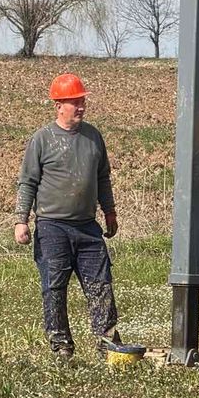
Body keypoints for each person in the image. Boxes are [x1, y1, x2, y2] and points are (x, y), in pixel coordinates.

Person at [14, 73, 121, 359]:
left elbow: (103, 178)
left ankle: (107, 342)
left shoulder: (93, 136)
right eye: (75, 102)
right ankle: (61, 346)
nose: (81, 106)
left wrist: (109, 211)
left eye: (82, 101)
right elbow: (28, 182)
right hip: (52, 227)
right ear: (59, 105)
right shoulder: (42, 139)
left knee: (101, 285)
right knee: (54, 287)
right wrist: (21, 220)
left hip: (87, 228)